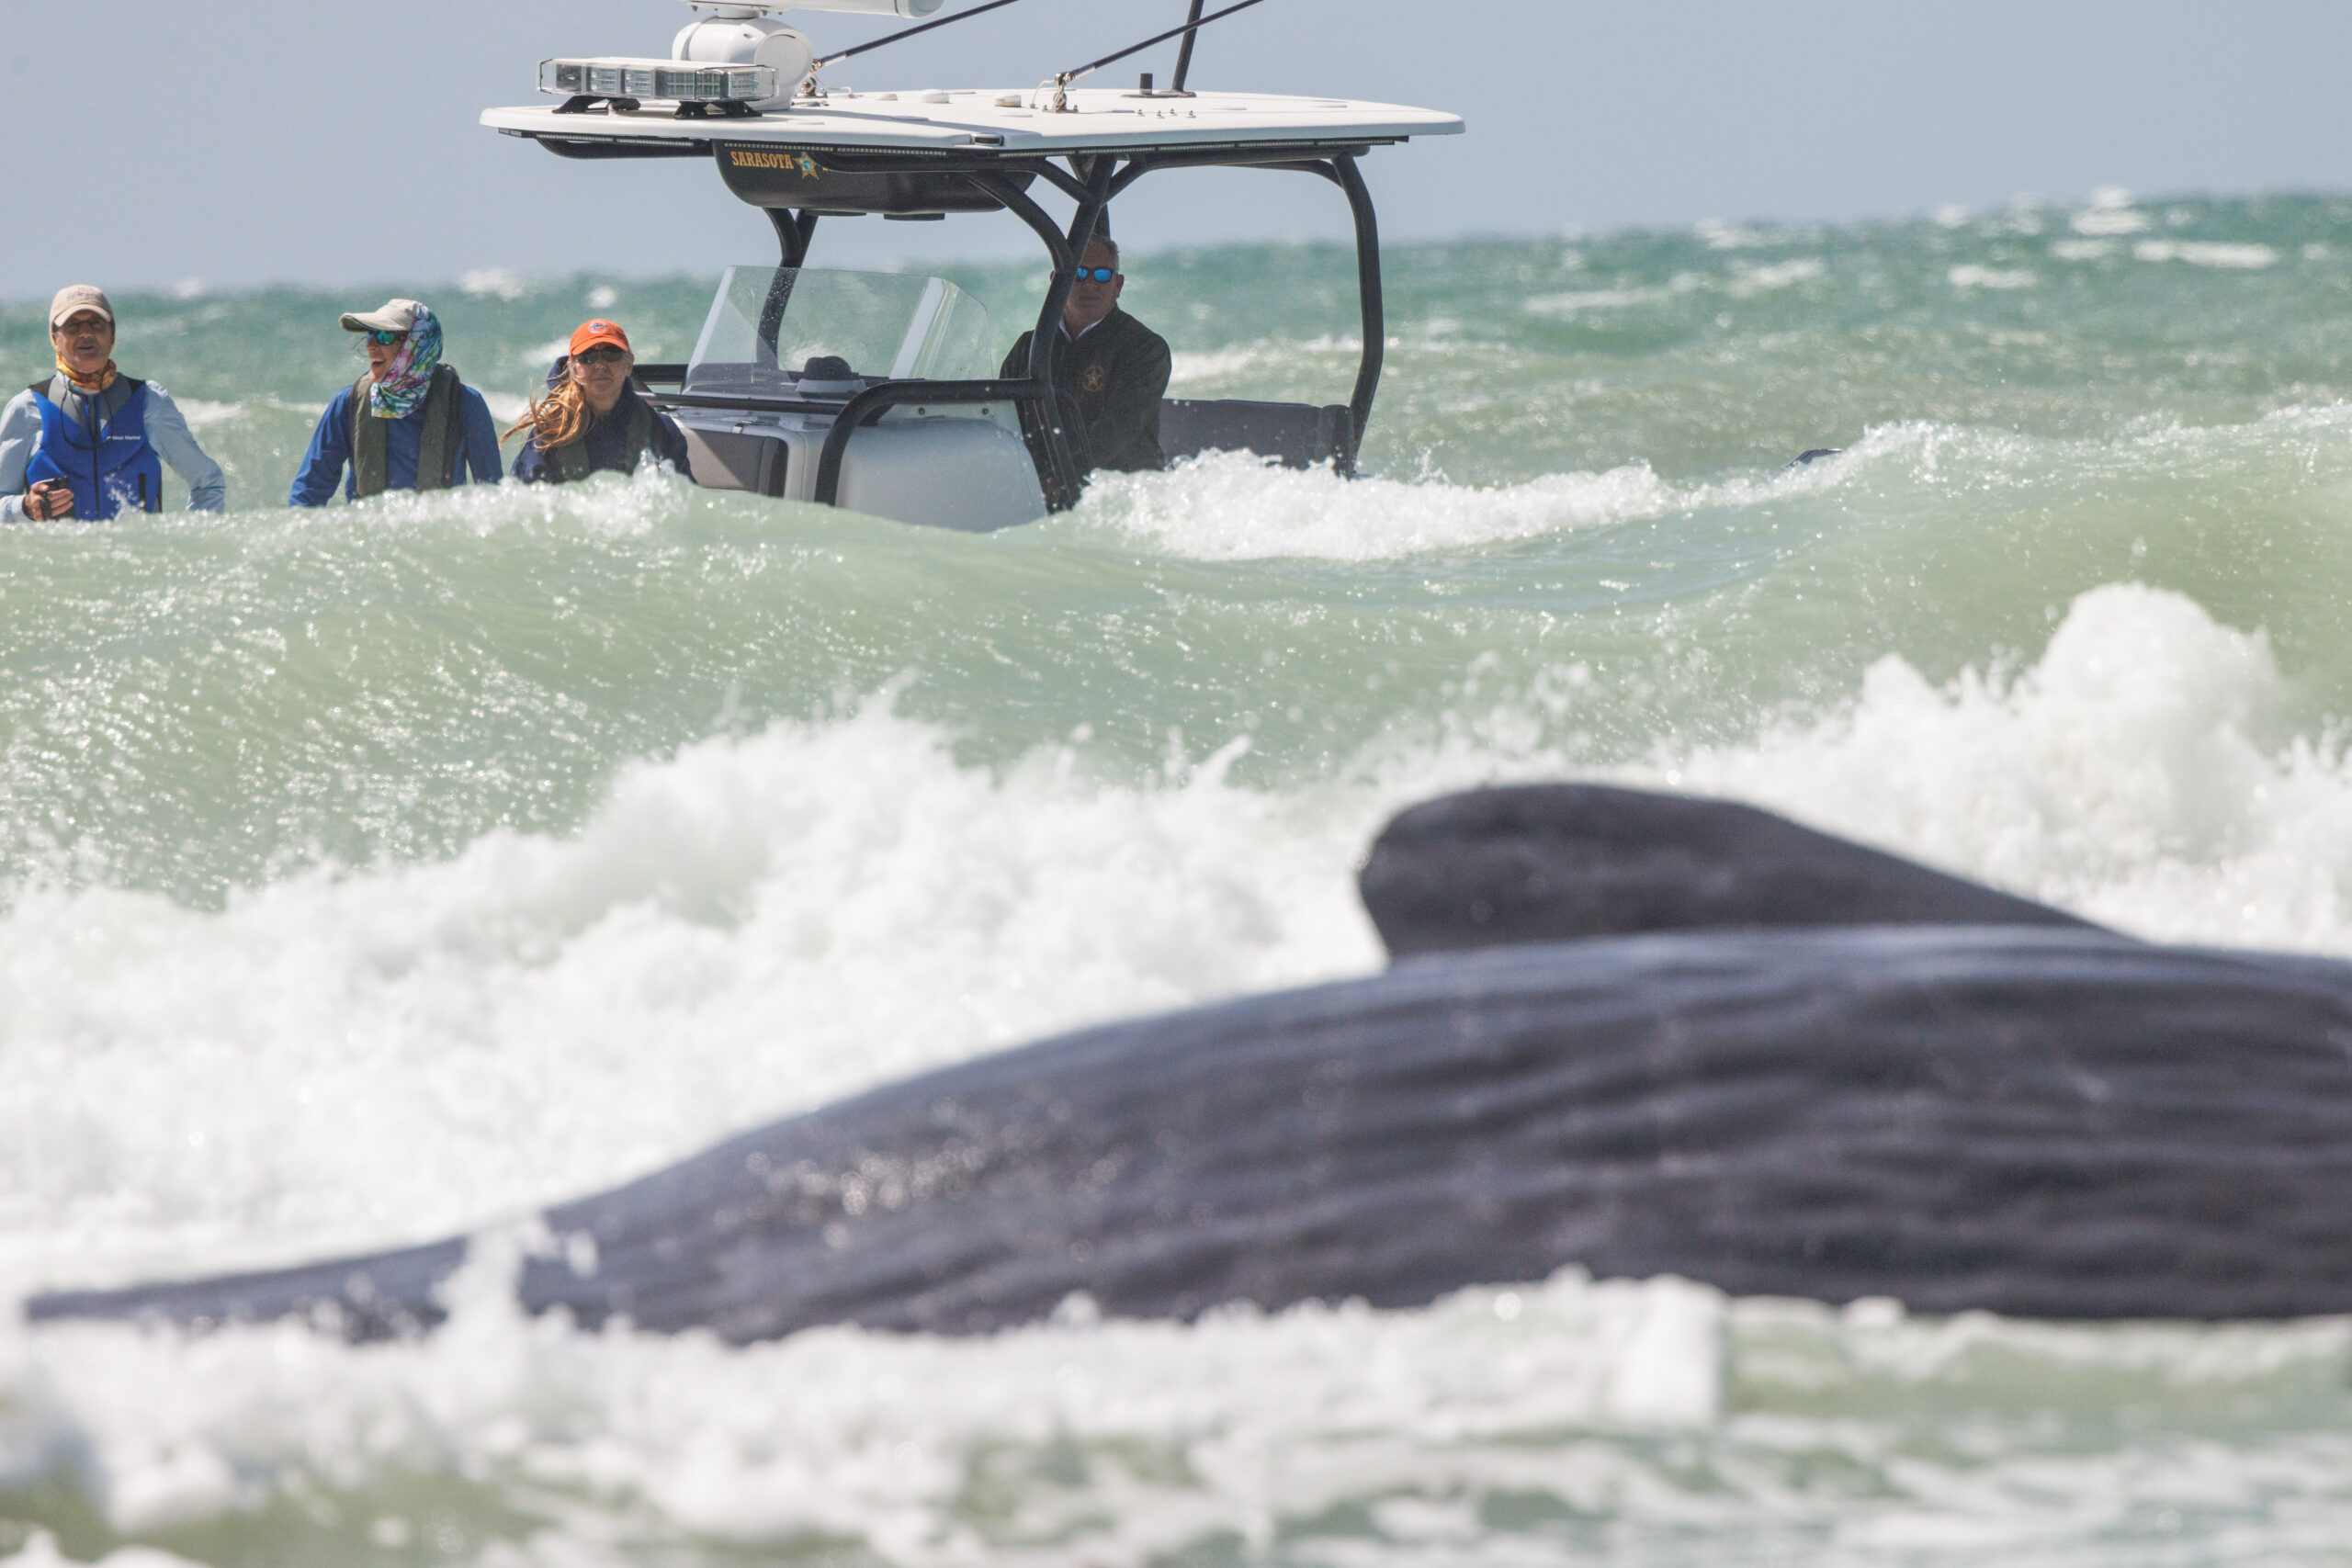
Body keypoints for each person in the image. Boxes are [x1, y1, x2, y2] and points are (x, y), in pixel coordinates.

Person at [0, 286, 225, 522]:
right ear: (55, 338)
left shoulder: (150, 401)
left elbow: (209, 485)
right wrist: (24, 507)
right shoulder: (27, 408)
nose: (85, 333)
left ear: (112, 334)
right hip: (59, 557)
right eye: (73, 325)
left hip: (136, 557)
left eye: (96, 323)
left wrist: (193, 543)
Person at [288, 299, 501, 505]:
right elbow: (307, 494)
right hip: (368, 538)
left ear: (416, 344)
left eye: (384, 336)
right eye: (370, 335)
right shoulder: (349, 403)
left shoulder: (465, 403)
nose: (372, 345)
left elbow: (492, 495)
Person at [999, 232, 1171, 478]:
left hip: (1122, 493)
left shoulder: (1145, 349)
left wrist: (1059, 476)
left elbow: (1117, 430)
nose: (1090, 284)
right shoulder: (1028, 348)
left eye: (1102, 275)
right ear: (1055, 282)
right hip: (1036, 486)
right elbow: (1005, 423)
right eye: (1079, 274)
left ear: (1118, 285)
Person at [508, 319, 690, 484]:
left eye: (611, 354)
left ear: (629, 364)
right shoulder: (550, 432)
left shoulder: (661, 430)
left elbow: (685, 500)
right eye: (588, 357)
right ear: (573, 369)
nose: (600, 365)